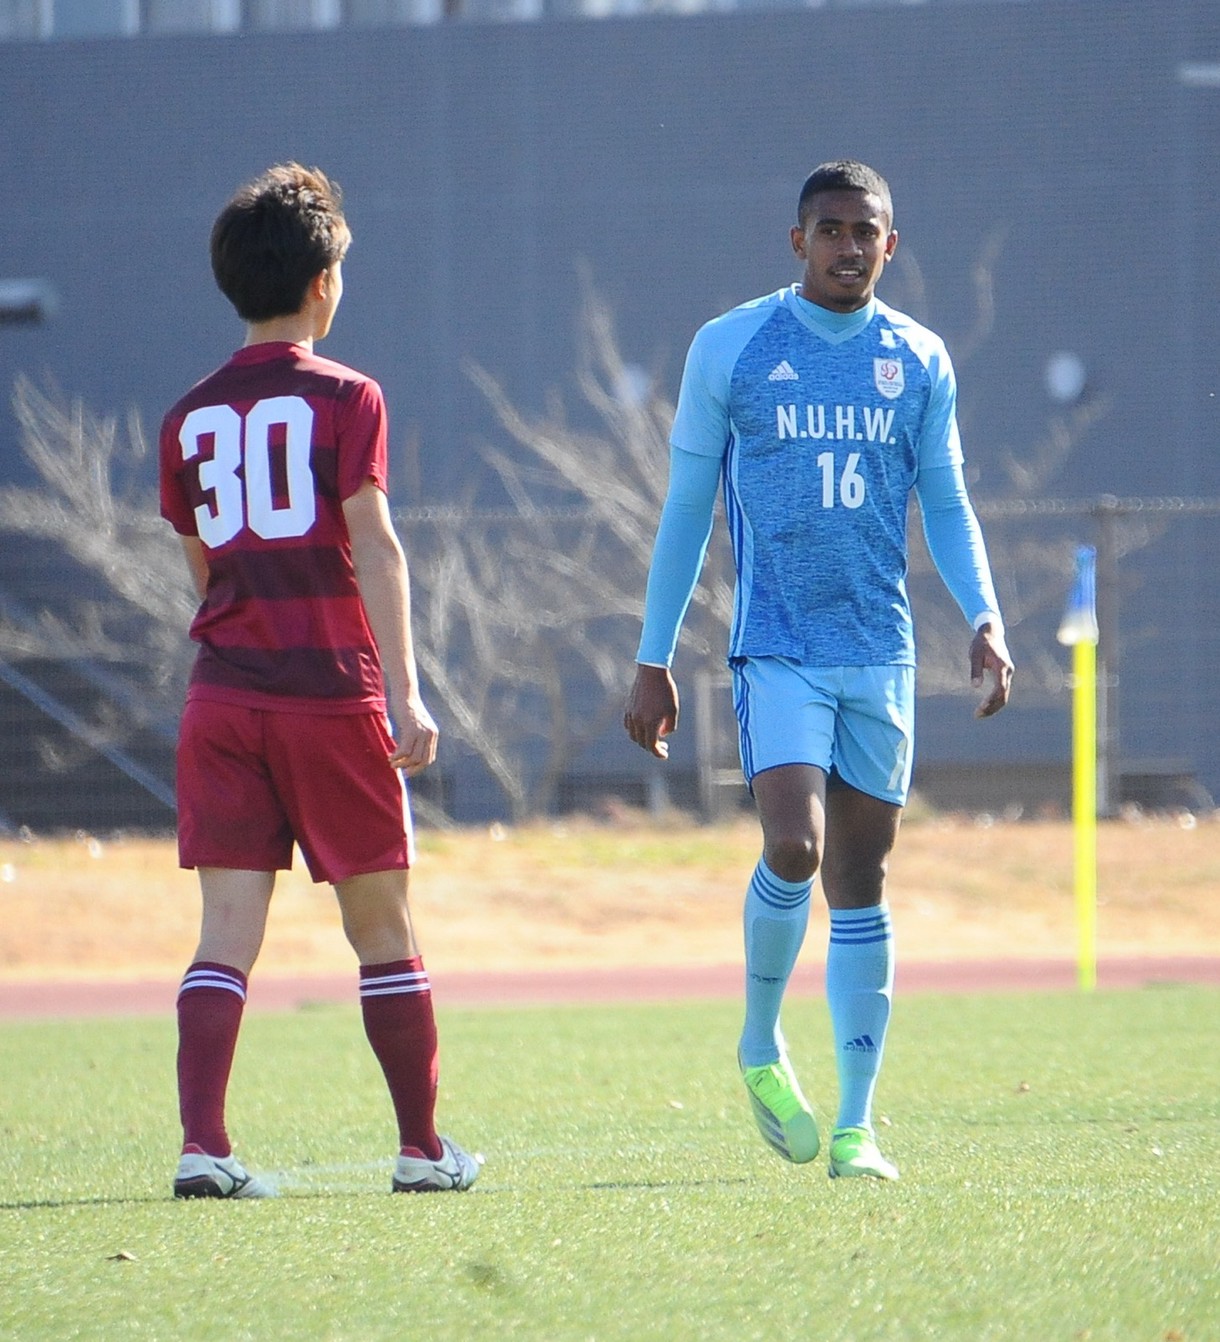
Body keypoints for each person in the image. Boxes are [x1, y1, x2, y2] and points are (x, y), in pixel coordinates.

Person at [624, 160, 1013, 1181]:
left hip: (877, 653)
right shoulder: (734, 348)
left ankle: (854, 1126)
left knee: (860, 879)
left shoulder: (918, 360)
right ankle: (758, 1038)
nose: (847, 246)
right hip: (777, 648)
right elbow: (684, 511)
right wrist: (650, 656)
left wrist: (983, 617)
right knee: (791, 845)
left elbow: (948, 502)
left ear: (892, 244)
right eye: (828, 229)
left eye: (865, 231)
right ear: (795, 242)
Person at [159, 163, 480, 1198]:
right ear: (322, 283)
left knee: (223, 937)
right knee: (381, 927)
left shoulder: (188, 417)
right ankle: (423, 1151)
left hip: (223, 695)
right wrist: (406, 691)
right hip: (329, 694)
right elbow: (376, 547)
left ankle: (202, 1145)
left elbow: (203, 567)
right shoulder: (348, 397)